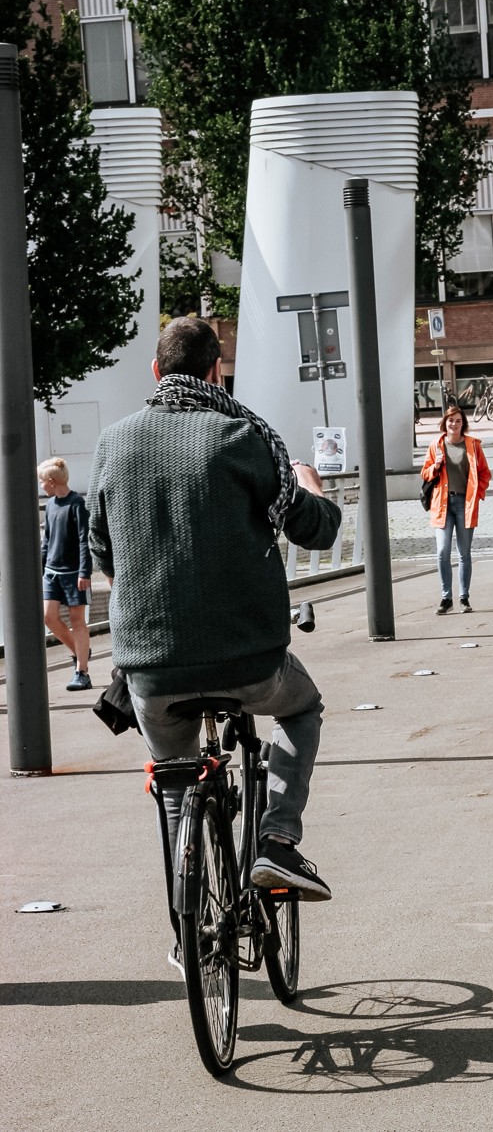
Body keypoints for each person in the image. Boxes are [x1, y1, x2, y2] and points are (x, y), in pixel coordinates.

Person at [88, 316, 340, 918]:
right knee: (302, 707)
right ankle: (277, 840)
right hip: (249, 660)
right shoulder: (241, 435)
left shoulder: (114, 443)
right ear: (216, 370)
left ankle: (188, 915)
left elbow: (102, 552)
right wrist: (313, 485)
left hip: (150, 668)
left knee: (175, 782)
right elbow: (314, 529)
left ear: (155, 371)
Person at [421, 406, 491, 614]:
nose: (454, 424)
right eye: (451, 421)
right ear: (445, 423)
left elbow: (484, 473)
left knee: (464, 553)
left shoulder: (472, 445)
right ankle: (446, 597)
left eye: (458, 421)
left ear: (463, 424)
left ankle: (464, 597)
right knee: (442, 552)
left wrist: (477, 494)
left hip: (464, 504)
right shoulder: (437, 445)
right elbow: (425, 473)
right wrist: (436, 466)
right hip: (442, 504)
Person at [38, 456, 93, 692]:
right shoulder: (49, 505)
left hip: (74, 574)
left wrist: (84, 572)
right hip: (51, 572)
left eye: (41, 481)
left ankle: (82, 671)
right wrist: (39, 570)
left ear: (51, 481)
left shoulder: (77, 503)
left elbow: (84, 540)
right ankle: (81, 652)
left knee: (77, 620)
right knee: (49, 618)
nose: (40, 485)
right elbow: (46, 540)